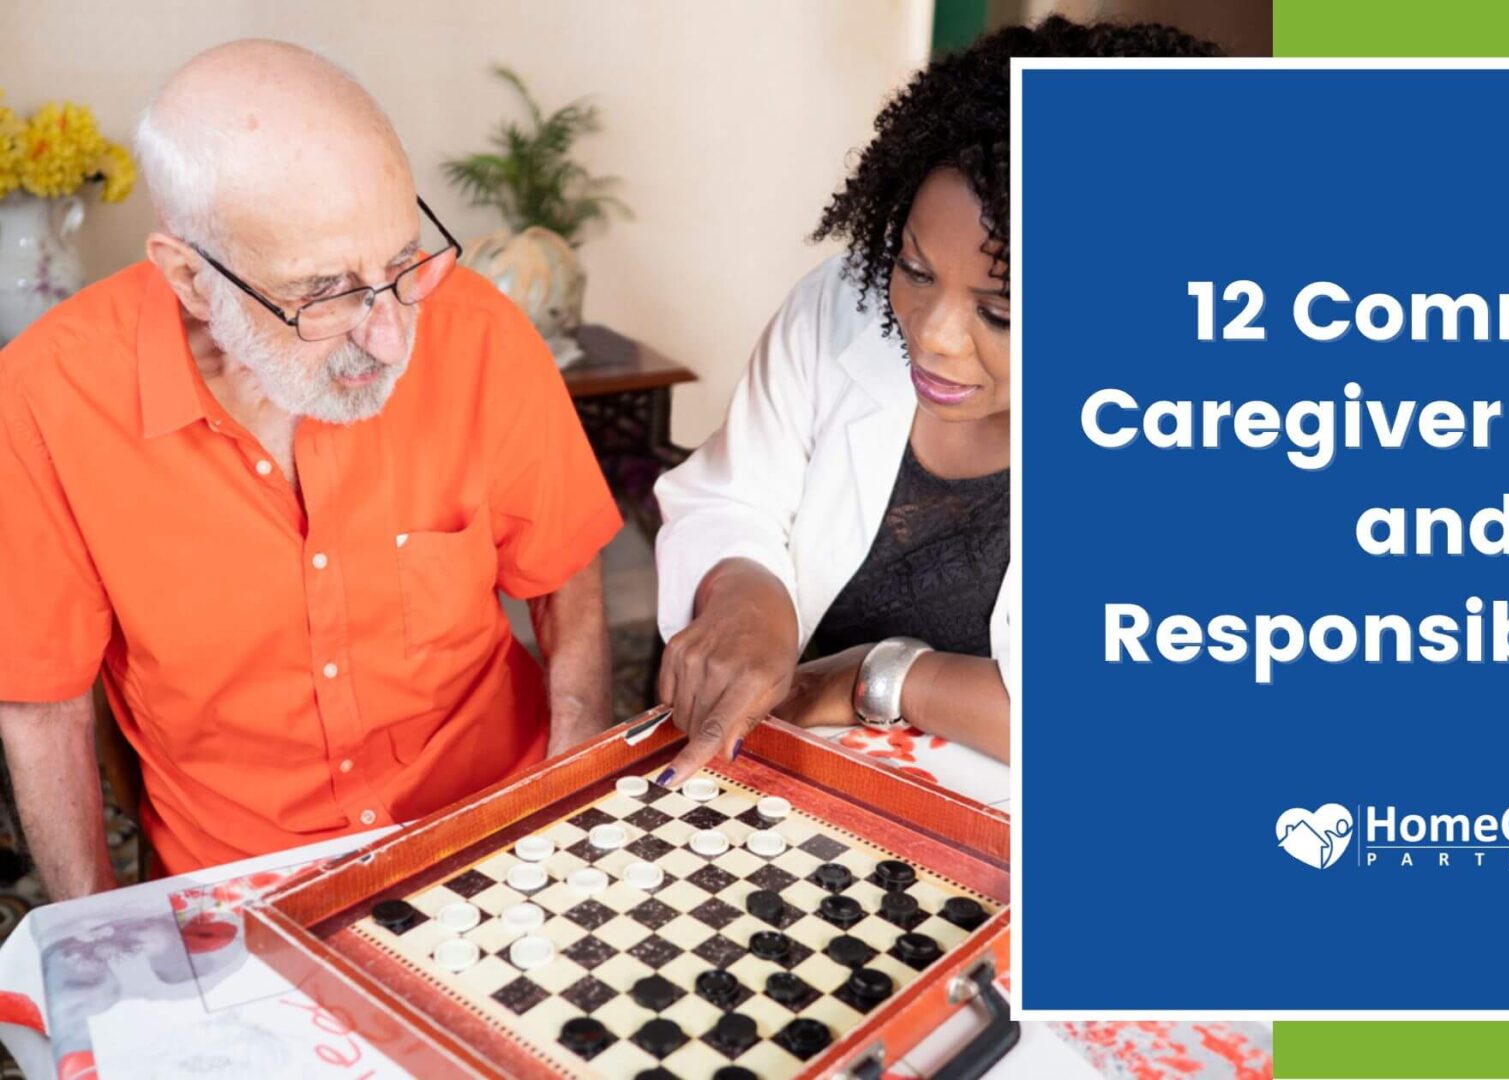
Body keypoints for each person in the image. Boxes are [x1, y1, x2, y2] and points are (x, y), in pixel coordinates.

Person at [0, 41, 622, 895]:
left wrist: (574, 793)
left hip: (494, 830)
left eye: (402, 261)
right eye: (326, 293)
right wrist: (93, 936)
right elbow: (43, 703)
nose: (392, 334)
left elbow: (565, 573)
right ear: (188, 278)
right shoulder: (47, 401)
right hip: (249, 883)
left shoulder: (476, 331)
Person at [651, 17, 1220, 784]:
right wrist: (747, 596)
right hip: (788, 775)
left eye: (1003, 313)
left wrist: (877, 679)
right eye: (916, 269)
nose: (935, 337)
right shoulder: (841, 304)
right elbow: (732, 496)